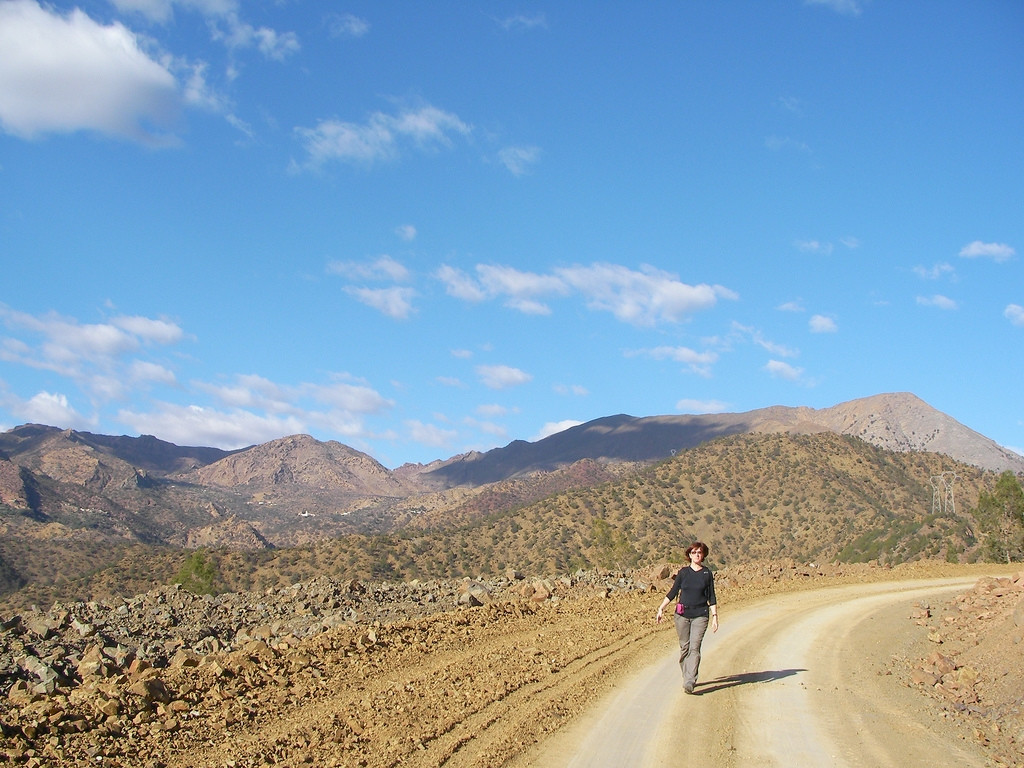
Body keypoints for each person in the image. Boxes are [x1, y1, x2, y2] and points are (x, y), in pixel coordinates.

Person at [655, 541, 718, 694]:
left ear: (703, 555)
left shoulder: (706, 573)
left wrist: (715, 616)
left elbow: (711, 596)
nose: (697, 555)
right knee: (685, 647)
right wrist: (661, 608)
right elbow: (673, 592)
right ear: (689, 555)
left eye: (699, 552)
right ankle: (686, 674)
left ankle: (690, 680)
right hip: (682, 616)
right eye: (694, 552)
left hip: (700, 615)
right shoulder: (683, 573)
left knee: (694, 648)